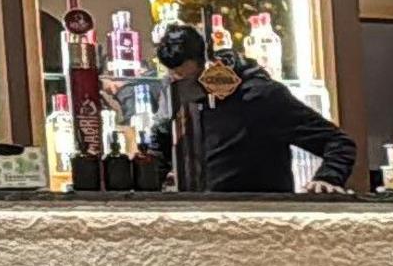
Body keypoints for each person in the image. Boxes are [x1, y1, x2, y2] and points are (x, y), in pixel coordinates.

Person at [143, 23, 358, 195]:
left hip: (261, 223)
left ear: (208, 65)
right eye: (174, 78)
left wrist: (327, 178)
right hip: (200, 221)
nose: (181, 88)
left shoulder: (261, 96)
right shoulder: (175, 95)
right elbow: (159, 148)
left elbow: (338, 142)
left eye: (188, 80)